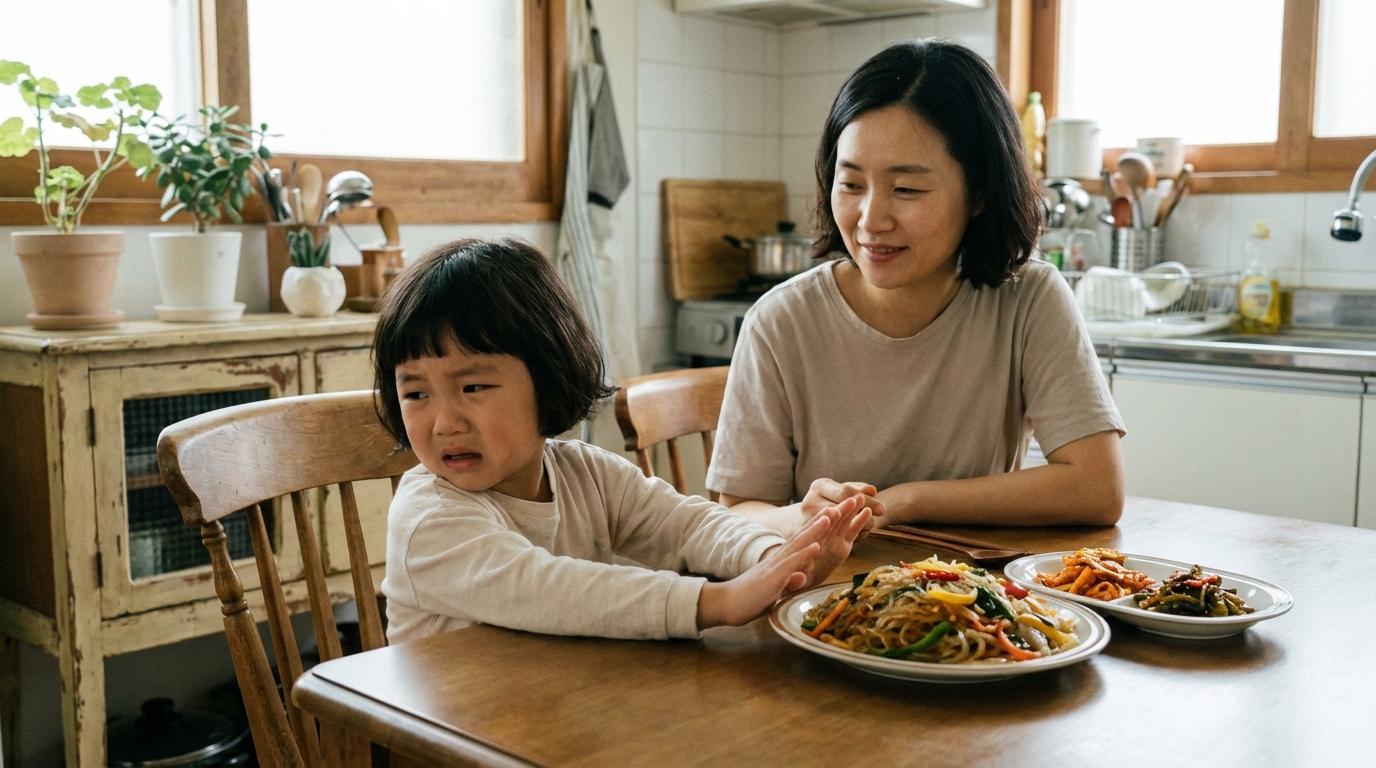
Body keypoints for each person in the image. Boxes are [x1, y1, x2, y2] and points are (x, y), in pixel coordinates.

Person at [706, 40, 1126, 534]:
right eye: (852, 184)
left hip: (980, 597)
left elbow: (1097, 488)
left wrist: (906, 501)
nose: (870, 221)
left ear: (980, 194)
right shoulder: (781, 320)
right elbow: (737, 513)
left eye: (906, 189)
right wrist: (799, 516)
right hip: (824, 598)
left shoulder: (1028, 298)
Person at [373, 238, 870, 645]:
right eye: (415, 393)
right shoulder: (428, 520)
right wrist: (714, 602)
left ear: (547, 379)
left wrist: (771, 560)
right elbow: (552, 590)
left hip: (551, 713)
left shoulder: (587, 473)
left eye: (473, 387)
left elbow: (686, 526)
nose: (444, 422)